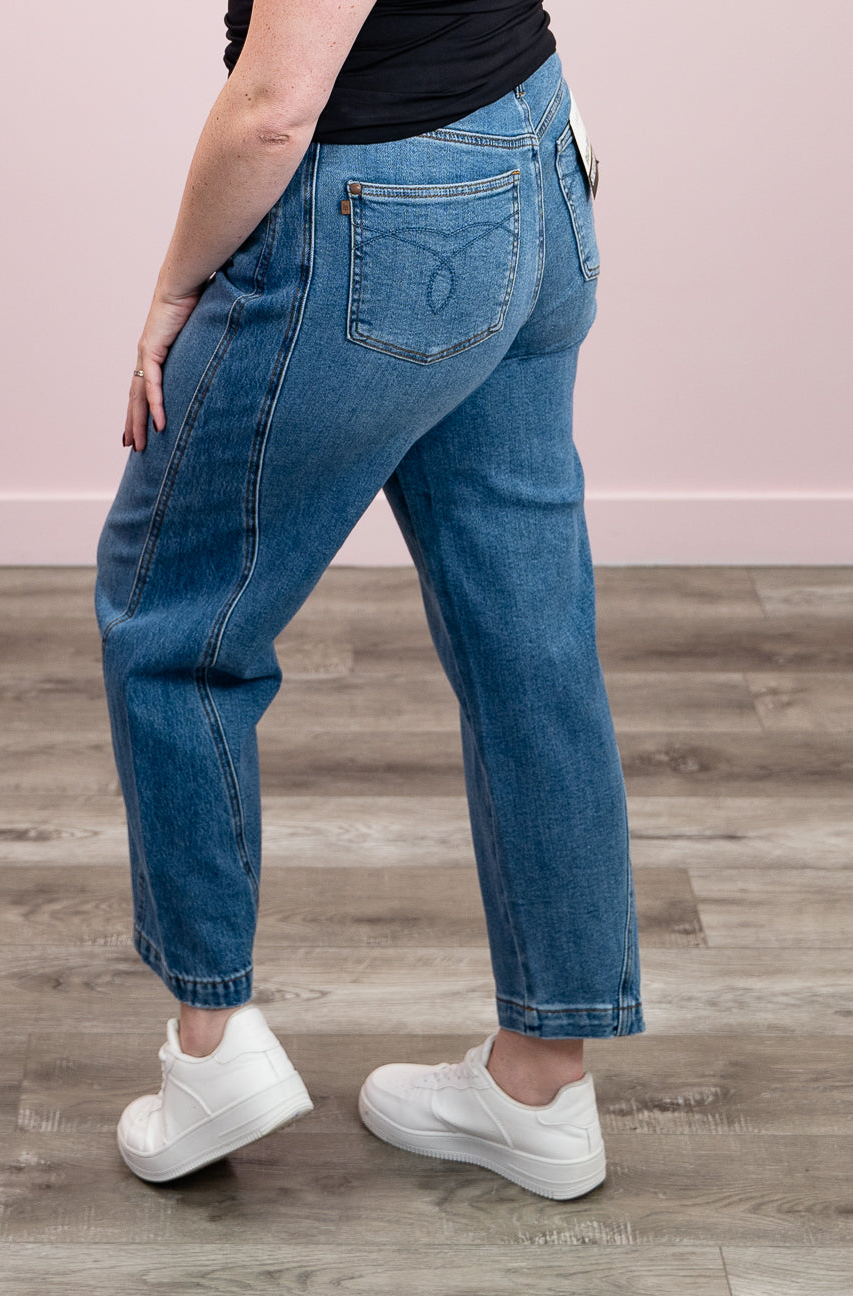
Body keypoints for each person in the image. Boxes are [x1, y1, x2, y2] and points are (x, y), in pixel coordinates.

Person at [93, 0, 643, 1200]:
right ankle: (543, 1085)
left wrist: (175, 286)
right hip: (533, 146)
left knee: (172, 624)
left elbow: (274, 106)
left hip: (389, 198)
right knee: (530, 641)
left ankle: (211, 1049)